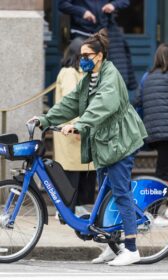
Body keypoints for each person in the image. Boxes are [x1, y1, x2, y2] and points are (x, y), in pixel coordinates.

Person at [29, 29, 147, 266]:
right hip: (104, 143)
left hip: (120, 141)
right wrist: (46, 119)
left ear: (100, 55)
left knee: (120, 191)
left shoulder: (110, 77)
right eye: (81, 54)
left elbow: (102, 105)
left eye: (87, 54)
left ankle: (132, 248)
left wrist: (80, 125)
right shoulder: (89, 79)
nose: (81, 58)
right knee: (103, 194)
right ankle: (112, 246)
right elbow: (70, 103)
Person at [134, 44, 168, 225]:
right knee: (163, 172)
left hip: (152, 132)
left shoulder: (148, 77)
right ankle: (151, 213)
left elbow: (137, 101)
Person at [54, 38, 96, 218]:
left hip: (78, 130)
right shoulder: (70, 73)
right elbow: (73, 101)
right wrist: (79, 126)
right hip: (72, 131)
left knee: (82, 171)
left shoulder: (80, 73)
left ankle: (75, 206)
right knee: (71, 172)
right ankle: (66, 209)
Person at [58, 0, 137, 91]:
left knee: (107, 76)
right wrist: (82, 12)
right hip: (82, 35)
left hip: (104, 34)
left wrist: (113, 5)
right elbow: (62, 5)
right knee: (84, 77)